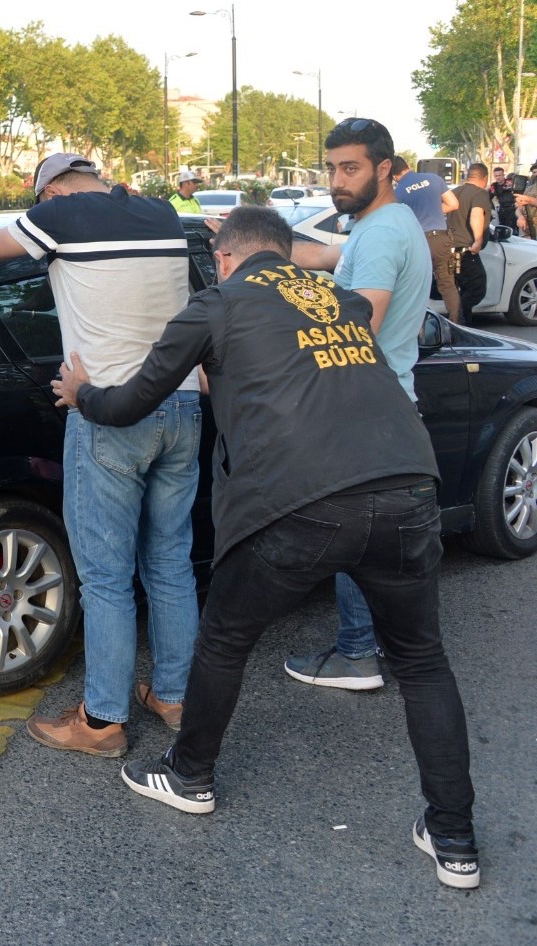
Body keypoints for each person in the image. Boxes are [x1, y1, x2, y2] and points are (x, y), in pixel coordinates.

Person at [53, 206, 480, 890]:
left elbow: (132, 402)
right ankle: (454, 838)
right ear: (285, 253)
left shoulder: (216, 305)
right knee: (424, 662)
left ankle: (189, 775)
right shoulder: (338, 300)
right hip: (407, 484)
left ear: (223, 257)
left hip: (299, 501)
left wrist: (83, 394)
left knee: (225, 640)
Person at [0, 153, 201, 753]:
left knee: (105, 576)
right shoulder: (162, 214)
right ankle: (176, 697)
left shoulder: (62, 216)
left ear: (49, 193)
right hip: (181, 406)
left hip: (109, 413)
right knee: (169, 563)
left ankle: (102, 721)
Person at [282, 119, 431, 690]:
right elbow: (330, 257)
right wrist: (266, 250)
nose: (337, 181)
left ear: (384, 169)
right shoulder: (387, 223)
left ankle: (357, 653)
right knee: (380, 542)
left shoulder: (383, 233)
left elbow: (358, 324)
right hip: (387, 404)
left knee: (356, 538)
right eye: (331, 168)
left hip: (366, 410)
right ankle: (383, 645)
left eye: (351, 168)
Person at [390, 155, 462, 323]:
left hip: (419, 242)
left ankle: (419, 328)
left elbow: (397, 221)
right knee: (447, 284)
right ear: (408, 166)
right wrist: (435, 210)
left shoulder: (398, 192)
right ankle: (457, 323)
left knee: (417, 287)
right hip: (441, 240)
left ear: (393, 176)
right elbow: (453, 204)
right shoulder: (434, 179)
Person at [449, 163, 494, 315]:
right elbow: (476, 215)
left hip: (449, 249)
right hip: (466, 250)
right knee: (477, 289)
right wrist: (478, 240)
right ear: (485, 178)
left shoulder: (454, 192)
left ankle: (462, 320)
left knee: (461, 289)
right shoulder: (480, 193)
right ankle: (457, 317)